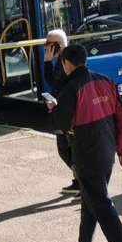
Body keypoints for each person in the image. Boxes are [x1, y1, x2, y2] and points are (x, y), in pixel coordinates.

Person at [47, 44, 122, 242]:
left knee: (101, 203)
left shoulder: (71, 89)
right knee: (90, 199)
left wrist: (52, 108)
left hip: (87, 153)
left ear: (67, 63)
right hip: (107, 151)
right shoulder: (105, 81)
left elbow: (60, 124)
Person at [43, 29, 79, 197]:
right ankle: (79, 181)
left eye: (49, 44)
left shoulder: (66, 62)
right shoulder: (63, 60)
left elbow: (55, 83)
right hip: (62, 111)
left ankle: (83, 181)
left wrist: (47, 62)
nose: (46, 48)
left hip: (68, 114)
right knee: (68, 149)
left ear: (58, 45)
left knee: (66, 149)